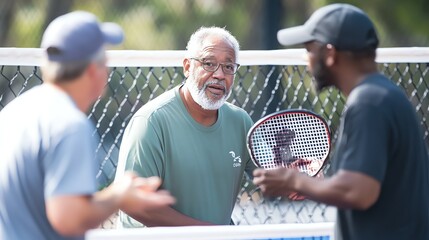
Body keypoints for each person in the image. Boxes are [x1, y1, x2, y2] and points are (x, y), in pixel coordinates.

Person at [253, 3, 429, 240]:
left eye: (309, 50)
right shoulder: (386, 96)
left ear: (330, 53)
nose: (307, 61)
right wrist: (310, 185)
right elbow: (372, 187)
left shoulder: (368, 103)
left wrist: (293, 179)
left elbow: (359, 191)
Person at [0, 11, 175, 240]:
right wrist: (118, 196)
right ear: (94, 70)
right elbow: (68, 218)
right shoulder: (69, 125)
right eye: (105, 60)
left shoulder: (14, 111)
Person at [115, 26, 256, 227]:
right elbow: (132, 202)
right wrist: (206, 233)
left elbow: (267, 176)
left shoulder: (241, 121)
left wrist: (297, 179)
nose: (219, 75)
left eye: (228, 67)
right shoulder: (150, 122)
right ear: (188, 67)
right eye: (209, 64)